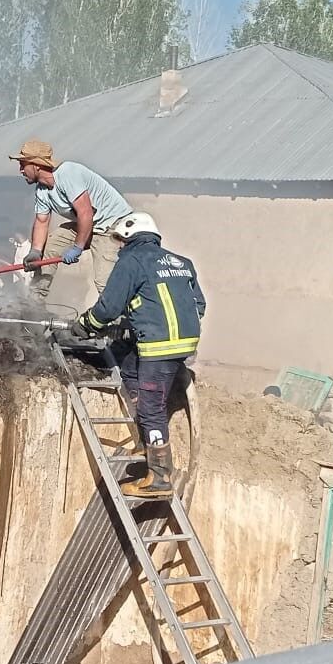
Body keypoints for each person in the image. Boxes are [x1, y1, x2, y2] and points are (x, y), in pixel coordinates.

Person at [70, 212, 206, 498]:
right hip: (184, 342)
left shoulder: (131, 261)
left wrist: (84, 326)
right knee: (130, 368)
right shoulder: (182, 262)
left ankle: (159, 478)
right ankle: (147, 441)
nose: (118, 246)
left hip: (159, 346)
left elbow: (108, 308)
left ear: (130, 238)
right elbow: (199, 305)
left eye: (120, 241)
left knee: (151, 408)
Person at [9, 138, 135, 319]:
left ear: (36, 165)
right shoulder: (42, 190)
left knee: (103, 279)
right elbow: (42, 221)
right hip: (90, 223)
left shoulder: (68, 173)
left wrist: (77, 247)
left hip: (112, 225)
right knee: (49, 247)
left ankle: (123, 322)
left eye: (23, 164)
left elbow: (85, 213)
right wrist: (35, 251)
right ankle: (34, 304)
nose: (20, 170)